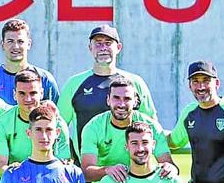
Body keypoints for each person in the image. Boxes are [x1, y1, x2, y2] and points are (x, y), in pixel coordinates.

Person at [58, 24, 157, 156]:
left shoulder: (135, 83)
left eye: (108, 43)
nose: (103, 48)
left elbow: (151, 126)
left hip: (131, 170)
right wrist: (64, 155)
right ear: (90, 48)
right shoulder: (74, 84)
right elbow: (58, 125)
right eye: (98, 44)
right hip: (87, 169)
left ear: (118, 48)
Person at [0, 69, 71, 176]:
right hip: (19, 179)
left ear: (42, 93)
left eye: (33, 93)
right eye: (22, 94)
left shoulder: (57, 123)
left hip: (50, 178)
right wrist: (21, 175)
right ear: (14, 94)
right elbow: (0, 167)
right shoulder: (2, 122)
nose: (28, 99)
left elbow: (64, 164)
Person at [0, 18, 59, 105]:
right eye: (10, 41)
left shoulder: (45, 79)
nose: (15, 46)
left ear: (29, 44)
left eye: (20, 41)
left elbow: (56, 115)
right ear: (2, 44)